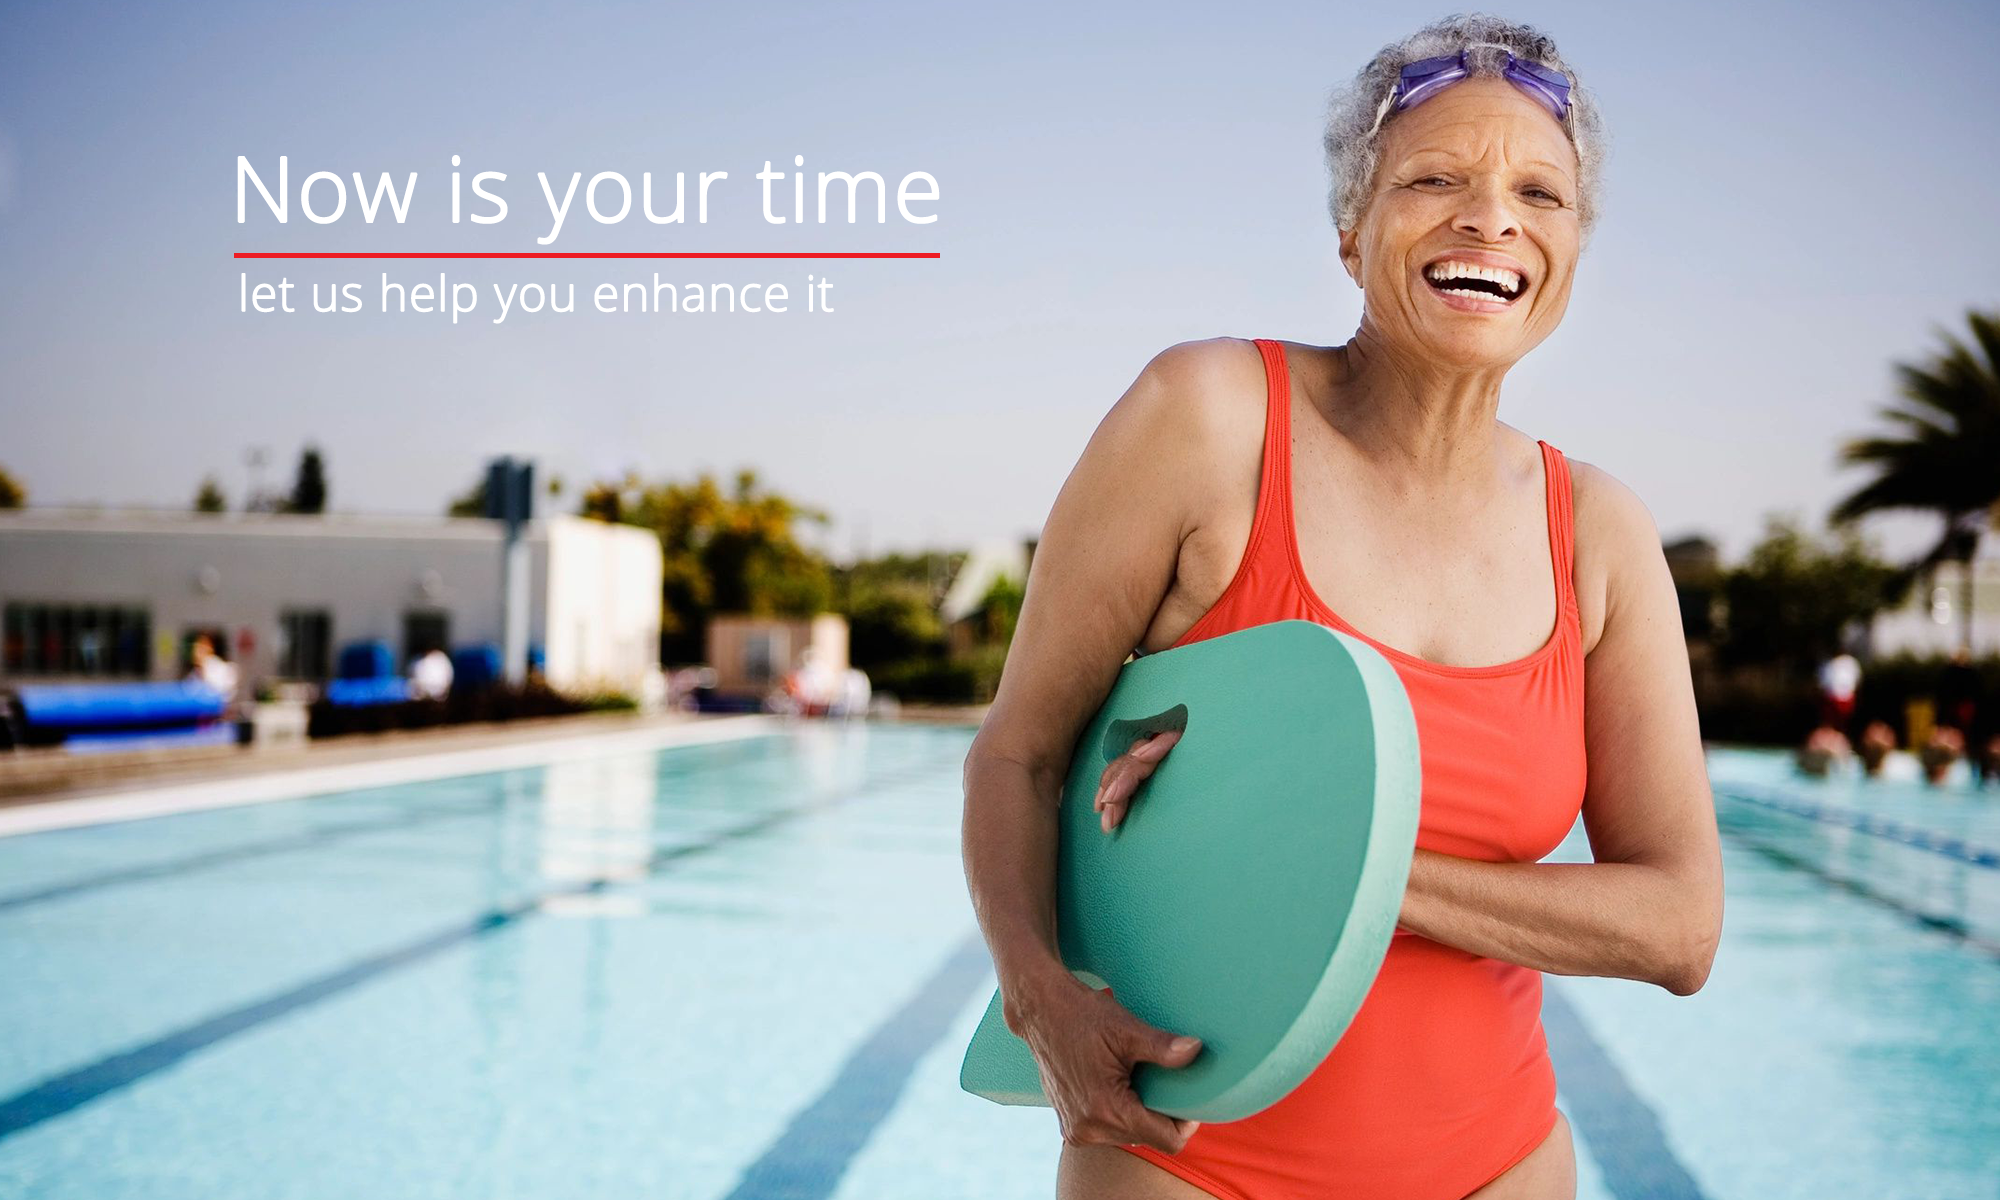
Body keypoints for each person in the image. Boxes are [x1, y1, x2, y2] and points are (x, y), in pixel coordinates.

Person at [960, 17, 1722, 1200]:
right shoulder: (1206, 419)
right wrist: (1035, 995)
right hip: (1191, 1163)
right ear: (1351, 231)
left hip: (1501, 1162)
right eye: (1434, 181)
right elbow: (1015, 754)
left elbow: (1678, 925)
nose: (1490, 219)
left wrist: (1325, 861)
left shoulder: (1600, 534)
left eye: (1539, 192)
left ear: (1572, 246)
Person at [1817, 651, 1861, 735]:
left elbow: (1856, 681)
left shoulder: (1849, 661)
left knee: (1844, 724)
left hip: (1847, 698)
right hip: (1830, 699)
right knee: (1830, 724)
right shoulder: (1826, 662)